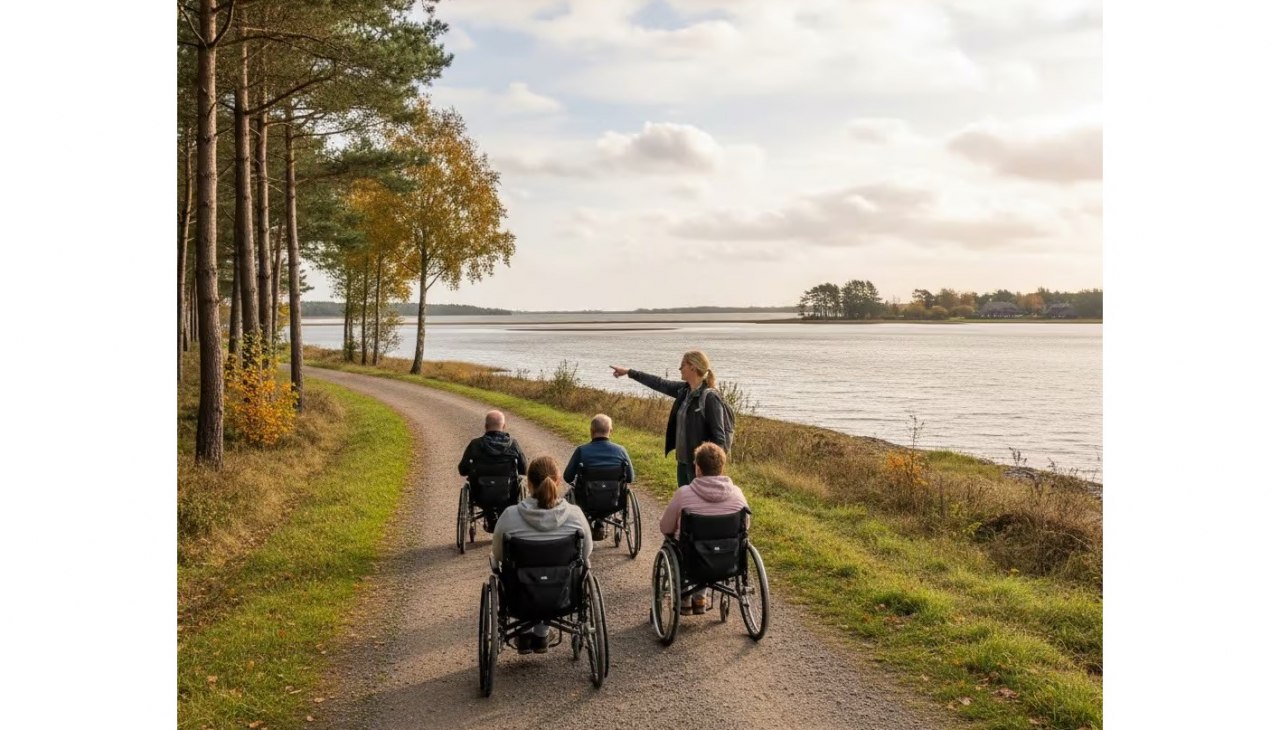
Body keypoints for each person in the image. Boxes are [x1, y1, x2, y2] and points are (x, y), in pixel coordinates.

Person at [492, 455, 594, 654]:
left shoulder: (510, 516)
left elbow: (498, 554)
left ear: (528, 484)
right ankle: (541, 635)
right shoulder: (575, 515)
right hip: (563, 596)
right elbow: (586, 552)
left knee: (510, 570)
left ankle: (525, 631)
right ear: (558, 481)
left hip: (520, 597)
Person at [610, 350, 727, 487]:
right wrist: (629, 372)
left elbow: (719, 438)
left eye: (682, 365)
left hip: (699, 467)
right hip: (683, 463)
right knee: (685, 505)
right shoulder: (684, 391)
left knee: (700, 507)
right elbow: (659, 383)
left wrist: (708, 469)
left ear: (693, 367)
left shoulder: (710, 398)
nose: (679, 369)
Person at [658, 442, 749, 615]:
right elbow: (745, 527)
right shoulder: (737, 494)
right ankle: (700, 598)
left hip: (692, 560)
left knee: (674, 544)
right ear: (721, 468)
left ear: (697, 468)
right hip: (728, 558)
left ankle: (685, 598)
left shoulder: (684, 494)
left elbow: (665, 527)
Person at [564, 414, 636, 542]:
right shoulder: (621, 451)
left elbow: (567, 477)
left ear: (591, 431)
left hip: (587, 501)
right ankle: (600, 522)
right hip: (615, 501)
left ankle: (590, 524)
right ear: (610, 431)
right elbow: (630, 478)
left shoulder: (581, 451)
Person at [458, 410, 529, 532]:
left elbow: (462, 469)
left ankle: (492, 518)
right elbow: (524, 469)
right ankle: (503, 522)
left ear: (485, 427)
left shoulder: (475, 444)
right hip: (508, 494)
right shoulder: (513, 444)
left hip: (480, 494)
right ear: (504, 426)